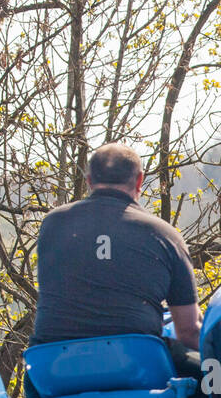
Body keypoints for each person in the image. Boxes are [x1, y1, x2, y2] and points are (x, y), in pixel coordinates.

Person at [29, 143, 201, 354]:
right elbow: (188, 331)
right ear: (139, 180)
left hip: (48, 364)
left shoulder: (53, 223)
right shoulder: (165, 234)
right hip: (137, 361)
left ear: (89, 180)